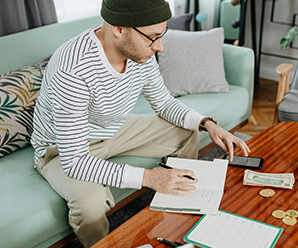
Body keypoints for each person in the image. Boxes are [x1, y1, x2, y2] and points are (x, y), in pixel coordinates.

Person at [31, 0, 250, 246]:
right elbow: (75, 162)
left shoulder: (139, 53)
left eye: (162, 35)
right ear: (119, 29)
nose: (161, 47)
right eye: (153, 37)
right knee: (90, 204)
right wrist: (149, 178)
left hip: (113, 130)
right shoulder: (72, 69)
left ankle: (180, 207)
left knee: (186, 131)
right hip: (62, 150)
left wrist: (207, 123)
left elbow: (165, 104)